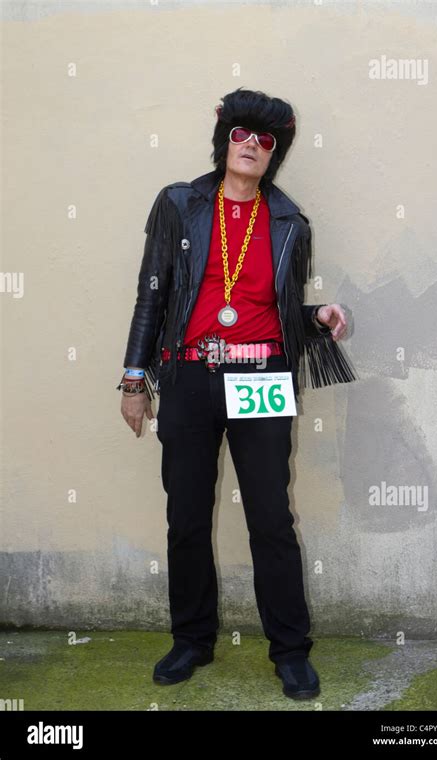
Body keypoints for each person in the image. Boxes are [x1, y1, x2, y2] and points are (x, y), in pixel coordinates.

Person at [117, 88, 358, 700]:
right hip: (191, 375)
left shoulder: (289, 222)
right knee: (187, 515)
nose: (251, 145)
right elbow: (152, 297)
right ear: (225, 140)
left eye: (265, 139)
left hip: (262, 378)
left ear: (275, 153)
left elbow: (274, 311)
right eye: (242, 134)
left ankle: (291, 650)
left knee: (272, 519)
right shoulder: (178, 204)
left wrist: (317, 316)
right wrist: (134, 379)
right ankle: (192, 640)